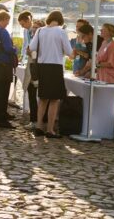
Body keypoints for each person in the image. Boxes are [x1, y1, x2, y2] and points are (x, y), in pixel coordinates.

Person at [29, 10, 73, 138]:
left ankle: (38, 126)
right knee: (54, 99)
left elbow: (32, 47)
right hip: (55, 66)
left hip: (42, 66)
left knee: (43, 99)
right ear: (60, 20)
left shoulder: (40, 30)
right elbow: (69, 51)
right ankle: (50, 129)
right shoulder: (61, 31)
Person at [17, 11, 39, 129]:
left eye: (22, 24)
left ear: (28, 20)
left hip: (36, 66)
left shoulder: (37, 31)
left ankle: (36, 120)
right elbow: (26, 45)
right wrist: (24, 56)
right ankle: (33, 119)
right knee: (30, 91)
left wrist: (31, 52)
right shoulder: (26, 31)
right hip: (30, 63)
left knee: (33, 92)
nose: (22, 27)